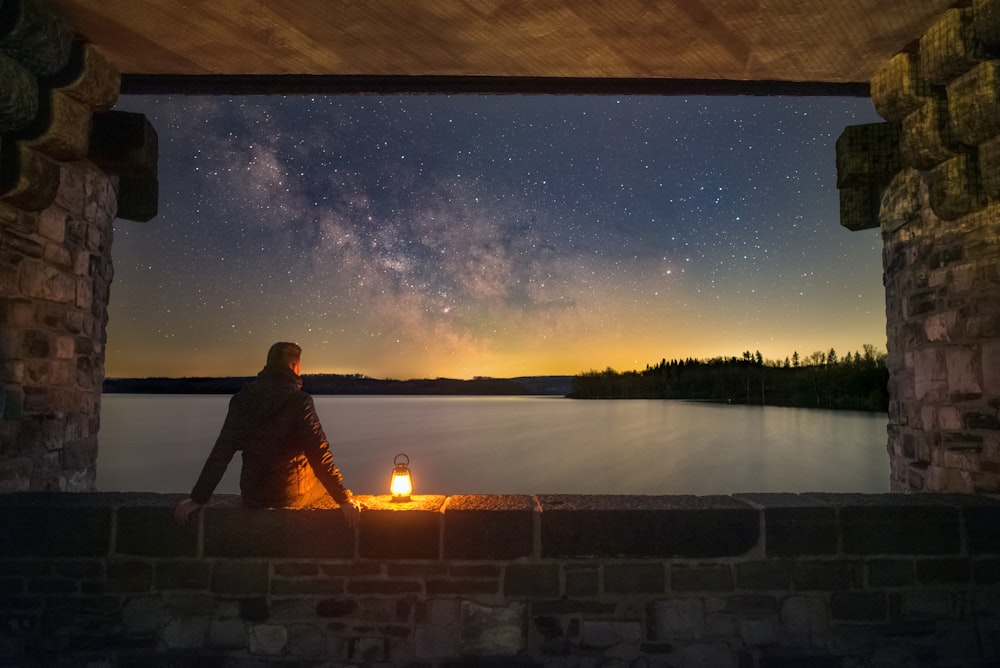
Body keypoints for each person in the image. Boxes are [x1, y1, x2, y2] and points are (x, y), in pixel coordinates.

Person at [173, 341, 361, 527]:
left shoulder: (241, 400)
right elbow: (319, 453)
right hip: (288, 496)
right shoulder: (300, 401)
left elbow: (221, 452)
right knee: (323, 488)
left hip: (252, 496)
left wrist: (197, 498)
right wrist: (343, 498)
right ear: (294, 366)